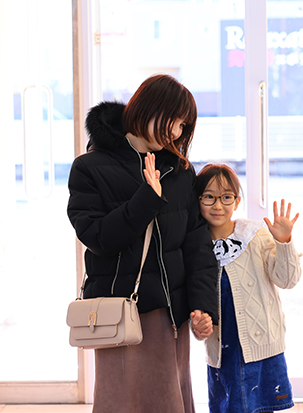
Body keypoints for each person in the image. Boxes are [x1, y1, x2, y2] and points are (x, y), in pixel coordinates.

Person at [67, 74, 217, 413]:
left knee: (170, 399)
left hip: (172, 315)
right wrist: (147, 199)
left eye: (183, 125)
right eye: (174, 120)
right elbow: (97, 238)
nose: (177, 132)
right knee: (125, 401)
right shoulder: (90, 167)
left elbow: (197, 247)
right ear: (150, 109)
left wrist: (203, 306)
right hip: (123, 315)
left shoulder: (179, 170)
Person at [195, 164, 301, 413]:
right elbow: (195, 299)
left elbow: (288, 280)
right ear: (197, 200)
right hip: (223, 353)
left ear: (237, 201)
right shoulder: (194, 246)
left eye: (226, 197)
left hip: (261, 349)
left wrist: (284, 242)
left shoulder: (254, 235)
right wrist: (197, 324)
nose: (218, 205)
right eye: (209, 197)